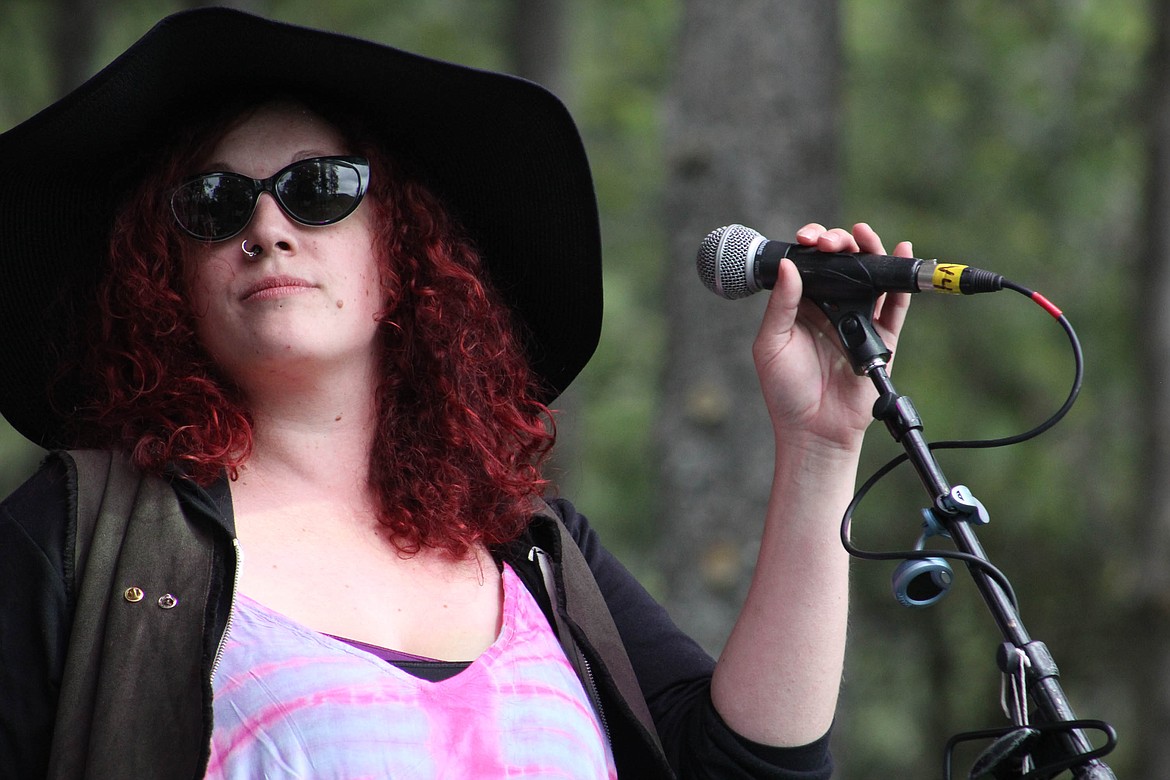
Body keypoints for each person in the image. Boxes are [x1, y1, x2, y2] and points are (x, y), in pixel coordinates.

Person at [0, 8, 911, 780]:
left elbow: (744, 767)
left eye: (319, 191)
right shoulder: (80, 540)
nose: (268, 226)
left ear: (401, 251)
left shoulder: (534, 551)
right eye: (215, 203)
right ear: (170, 278)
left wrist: (820, 448)